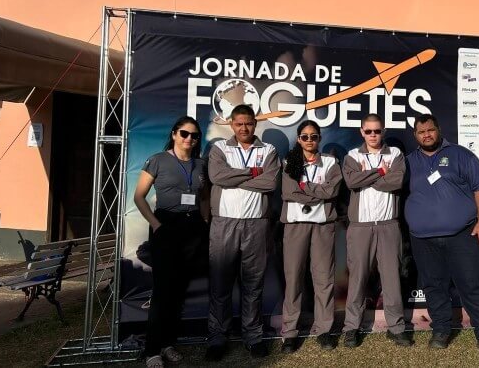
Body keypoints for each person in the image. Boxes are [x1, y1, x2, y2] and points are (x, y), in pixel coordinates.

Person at [404, 114, 479, 357]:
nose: (426, 135)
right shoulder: (407, 162)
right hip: (422, 238)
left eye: (430, 130)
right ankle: (441, 330)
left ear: (438, 130)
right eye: (421, 132)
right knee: (434, 285)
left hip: (462, 235)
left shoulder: (460, 155)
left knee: (471, 284)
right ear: (415, 136)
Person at [205, 104, 281, 361]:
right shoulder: (220, 148)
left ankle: (253, 336)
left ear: (255, 124)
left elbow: (269, 182)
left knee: (253, 284)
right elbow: (217, 177)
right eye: (239, 123)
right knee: (220, 283)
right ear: (231, 124)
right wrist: (252, 172)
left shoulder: (268, 150)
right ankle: (218, 337)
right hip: (224, 222)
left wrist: (235, 176)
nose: (244, 128)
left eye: (248, 123)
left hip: (257, 224)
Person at [134, 116, 209, 368]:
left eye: (194, 135)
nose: (190, 139)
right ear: (175, 134)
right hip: (167, 226)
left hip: (193, 228)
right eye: (185, 134)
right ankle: (152, 350)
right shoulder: (158, 160)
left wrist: (205, 221)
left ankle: (168, 344)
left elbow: (205, 198)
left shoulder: (201, 165)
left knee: (178, 292)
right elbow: (139, 197)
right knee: (163, 292)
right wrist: (156, 225)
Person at [341, 114, 411, 348]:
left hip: (388, 225)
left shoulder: (395, 155)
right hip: (360, 226)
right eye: (368, 131)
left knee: (391, 279)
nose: (373, 135)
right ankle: (351, 327)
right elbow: (352, 183)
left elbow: (397, 182)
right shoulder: (352, 155)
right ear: (361, 132)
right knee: (358, 279)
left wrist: (366, 177)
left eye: (377, 131)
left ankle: (397, 327)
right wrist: (381, 172)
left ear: (383, 131)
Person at [279, 120, 343, 353]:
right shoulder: (289, 162)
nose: (309, 140)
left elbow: (332, 191)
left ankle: (324, 330)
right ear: (298, 139)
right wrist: (318, 191)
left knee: (324, 280)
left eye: (313, 136)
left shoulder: (330, 162)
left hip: (323, 225)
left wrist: (304, 190)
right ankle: (290, 333)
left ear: (319, 139)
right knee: (293, 279)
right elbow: (288, 192)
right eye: (304, 137)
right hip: (296, 225)